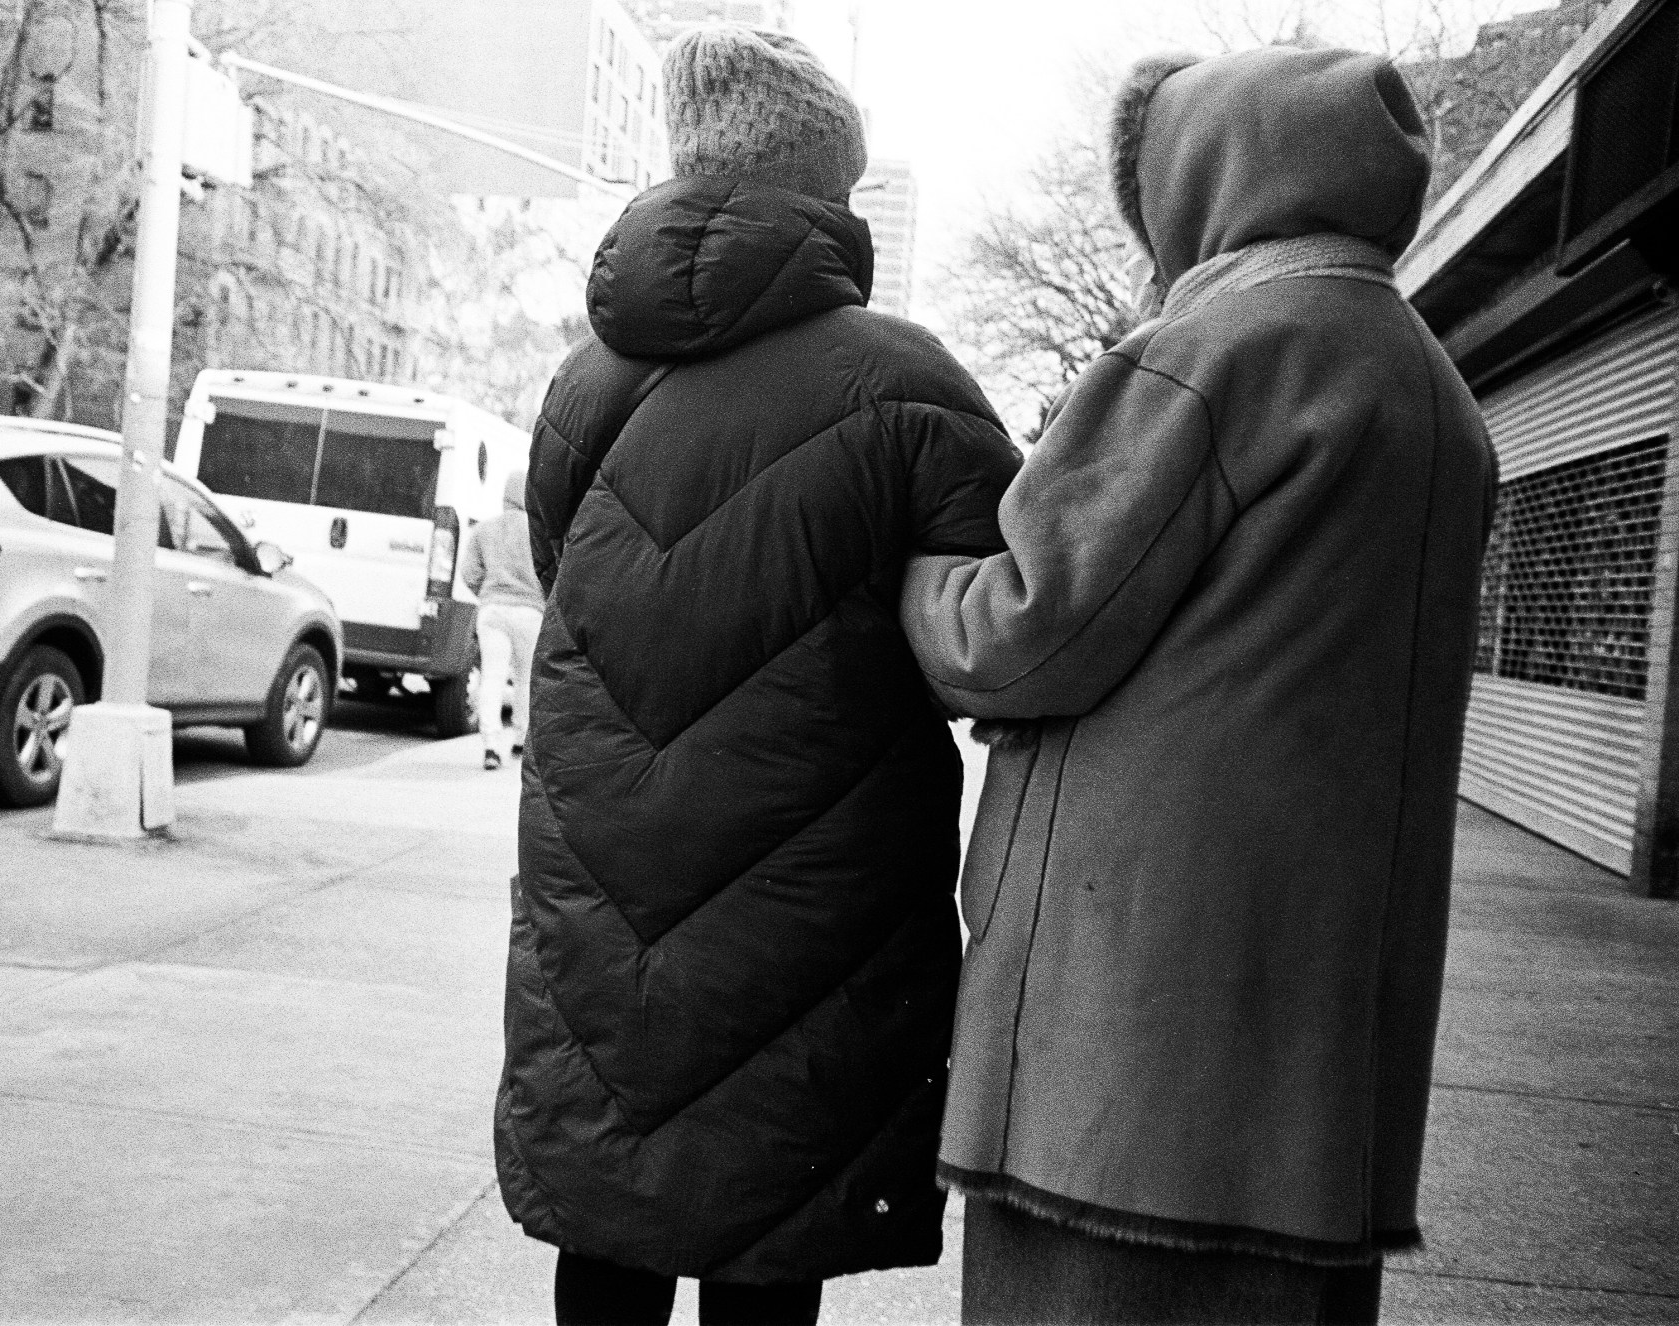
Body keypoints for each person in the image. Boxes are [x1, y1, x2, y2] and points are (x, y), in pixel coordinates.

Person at [900, 46, 1498, 1325]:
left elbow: (1020, 631)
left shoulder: (1216, 350)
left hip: (1130, 1046)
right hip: (1316, 1065)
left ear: (1204, 174)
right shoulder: (1429, 385)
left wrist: (915, 573)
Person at [496, 25, 1021, 1326]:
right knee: (770, 1232)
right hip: (814, 888)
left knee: (613, 1202)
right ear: (825, 197)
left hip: (606, 869)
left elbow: (570, 579)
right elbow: (1002, 625)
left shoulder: (586, 384)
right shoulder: (908, 383)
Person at [460, 470, 545, 771]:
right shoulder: (539, 533)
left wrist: (485, 592)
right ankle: (521, 739)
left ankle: (491, 747)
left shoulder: (485, 530)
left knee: (492, 678)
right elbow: (551, 571)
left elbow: (469, 573)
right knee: (524, 678)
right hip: (530, 613)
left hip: (493, 610)